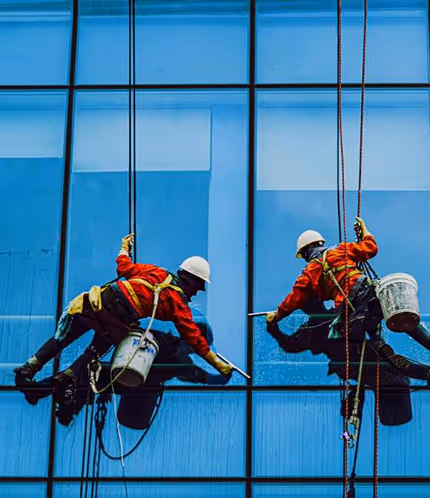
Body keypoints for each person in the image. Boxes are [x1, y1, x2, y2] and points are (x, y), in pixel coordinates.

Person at [14, 234, 232, 402]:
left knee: (63, 338)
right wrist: (219, 366)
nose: (198, 292)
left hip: (94, 303)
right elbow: (194, 337)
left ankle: (30, 367)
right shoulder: (178, 303)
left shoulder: (156, 272)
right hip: (115, 319)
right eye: (199, 286)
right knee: (101, 346)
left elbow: (124, 267)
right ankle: (69, 376)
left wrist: (124, 248)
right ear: (191, 279)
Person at [21, 310, 232, 427]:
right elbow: (195, 375)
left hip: (119, 377)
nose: (195, 351)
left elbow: (192, 374)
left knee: (85, 381)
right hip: (120, 377)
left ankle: (48, 396)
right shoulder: (174, 352)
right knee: (84, 380)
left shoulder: (166, 344)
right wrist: (221, 377)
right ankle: (49, 396)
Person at [266, 218, 430, 349]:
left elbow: (295, 298)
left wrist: (277, 315)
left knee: (353, 335)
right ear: (320, 244)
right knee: (401, 317)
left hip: (350, 308)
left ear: (306, 251)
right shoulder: (342, 250)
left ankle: (379, 350)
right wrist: (365, 231)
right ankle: (391, 345)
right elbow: (370, 248)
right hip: (369, 293)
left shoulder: (311, 271)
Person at [266, 302, 430, 426]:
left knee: (394, 375)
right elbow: (370, 323)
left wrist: (273, 328)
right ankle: (419, 375)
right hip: (363, 362)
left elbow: (289, 346)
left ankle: (416, 375)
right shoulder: (330, 319)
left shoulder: (315, 327)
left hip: (359, 364)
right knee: (395, 375)